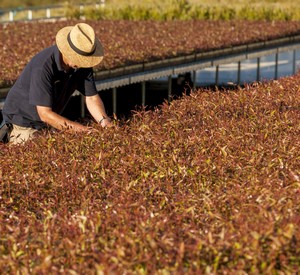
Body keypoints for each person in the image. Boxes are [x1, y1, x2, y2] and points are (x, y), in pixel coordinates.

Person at [2, 22, 112, 144]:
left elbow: (91, 98)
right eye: (78, 58)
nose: (81, 63)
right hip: (23, 123)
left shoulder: (83, 66)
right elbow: (44, 114)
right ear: (67, 50)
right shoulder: (43, 66)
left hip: (46, 122)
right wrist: (81, 130)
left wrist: (105, 122)